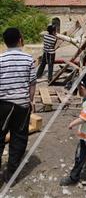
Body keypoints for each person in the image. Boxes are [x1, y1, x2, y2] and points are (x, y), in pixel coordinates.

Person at [0, 28, 37, 182]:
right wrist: (30, 100)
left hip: (3, 105)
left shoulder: (0, 60)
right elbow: (32, 84)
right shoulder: (29, 59)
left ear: (5, 42)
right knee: (19, 138)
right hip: (22, 105)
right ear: (20, 39)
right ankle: (11, 175)